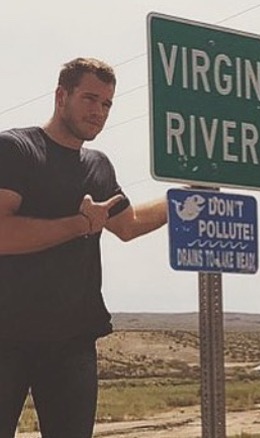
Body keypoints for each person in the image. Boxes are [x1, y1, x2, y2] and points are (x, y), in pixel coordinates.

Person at [0, 57, 168, 437]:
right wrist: (79, 225)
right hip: (6, 336)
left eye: (107, 104)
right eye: (90, 99)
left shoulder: (99, 166)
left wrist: (184, 200)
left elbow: (127, 225)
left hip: (72, 342)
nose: (99, 112)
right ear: (62, 96)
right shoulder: (15, 148)